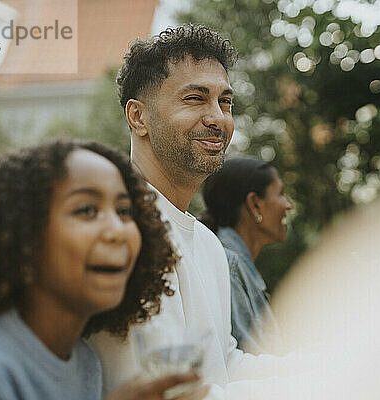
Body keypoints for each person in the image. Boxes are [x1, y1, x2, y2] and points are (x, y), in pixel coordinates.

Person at [88, 25, 306, 400]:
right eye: (194, 99)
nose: (218, 118)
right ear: (137, 116)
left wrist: (333, 365)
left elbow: (223, 364)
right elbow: (166, 392)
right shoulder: (120, 232)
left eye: (225, 102)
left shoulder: (207, 243)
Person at [0, 140, 206, 400]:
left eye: (124, 211)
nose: (117, 230)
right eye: (86, 210)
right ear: (21, 234)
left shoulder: (84, 361)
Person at [201, 157, 292, 354]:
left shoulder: (234, 264)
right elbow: (245, 365)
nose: (288, 205)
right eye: (281, 194)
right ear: (255, 205)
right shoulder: (228, 266)